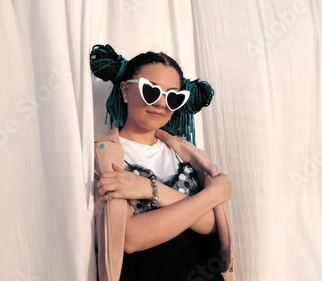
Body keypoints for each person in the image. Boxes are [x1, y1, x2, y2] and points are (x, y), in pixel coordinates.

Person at [90, 44, 235, 281]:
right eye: (152, 91)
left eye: (173, 96)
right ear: (125, 90)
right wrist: (211, 195)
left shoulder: (190, 156)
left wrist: (148, 189)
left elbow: (211, 226)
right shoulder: (104, 156)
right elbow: (131, 239)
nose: (161, 104)